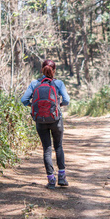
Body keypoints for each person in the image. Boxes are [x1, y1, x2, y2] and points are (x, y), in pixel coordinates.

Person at [21, 60, 70, 189]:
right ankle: (62, 178)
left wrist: (35, 106)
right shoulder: (58, 83)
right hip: (56, 119)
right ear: (54, 71)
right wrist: (58, 106)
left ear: (42, 70)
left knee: (47, 149)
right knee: (58, 147)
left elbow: (24, 100)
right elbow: (67, 100)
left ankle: (51, 180)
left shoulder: (34, 83)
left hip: (40, 120)